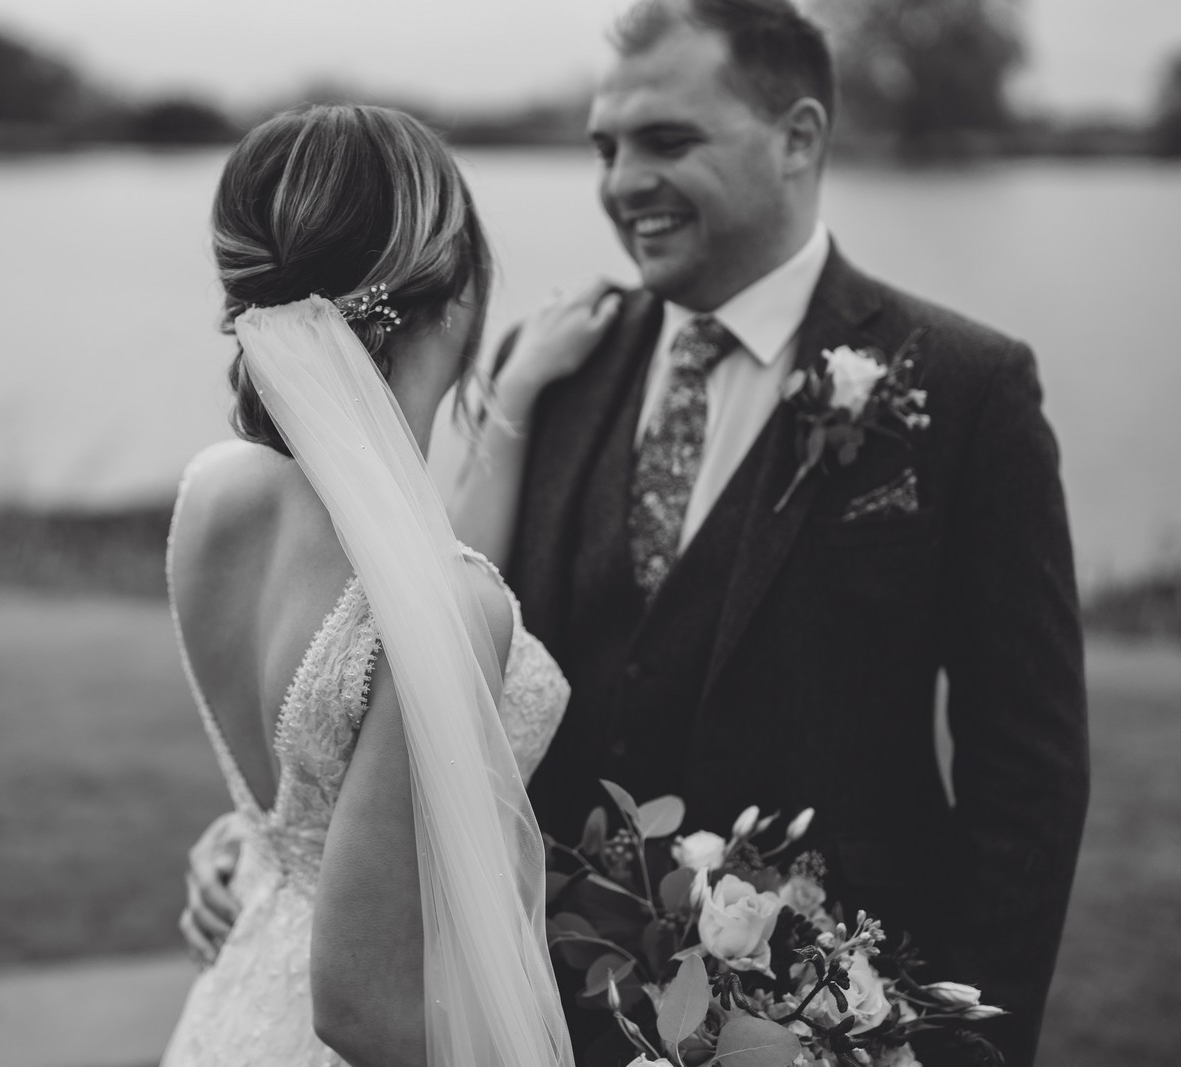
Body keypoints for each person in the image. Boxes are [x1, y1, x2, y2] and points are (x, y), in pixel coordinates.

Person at [184, 2, 1090, 1065]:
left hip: (830, 1009)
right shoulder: (560, 365)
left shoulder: (963, 386)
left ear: (798, 137)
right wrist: (278, 842)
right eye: (605, 147)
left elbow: (1024, 774)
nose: (621, 183)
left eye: (668, 140)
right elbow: (410, 669)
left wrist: (963, 1045)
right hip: (550, 997)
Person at [160, 104, 583, 1067]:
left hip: (235, 1006)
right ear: (461, 295)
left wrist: (511, 404)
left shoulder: (215, 497)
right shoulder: (442, 608)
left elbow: (302, 788)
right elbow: (361, 1010)